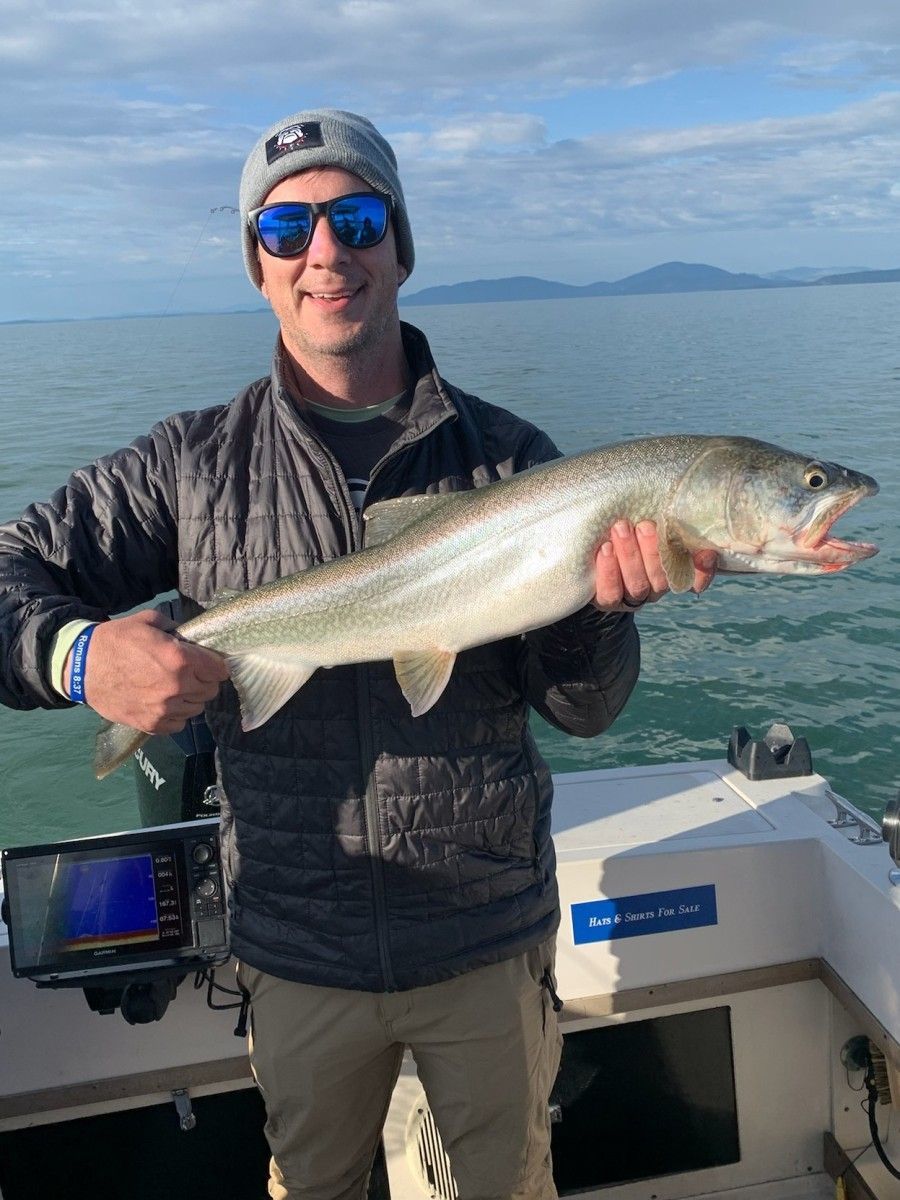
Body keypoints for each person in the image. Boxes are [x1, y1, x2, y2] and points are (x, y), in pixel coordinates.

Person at [0, 109, 716, 1200]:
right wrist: (82, 656)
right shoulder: (187, 465)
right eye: (287, 228)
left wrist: (597, 611)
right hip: (296, 953)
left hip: (485, 946)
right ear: (258, 264)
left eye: (357, 218)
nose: (325, 253)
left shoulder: (515, 463)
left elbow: (583, 711)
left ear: (401, 245)